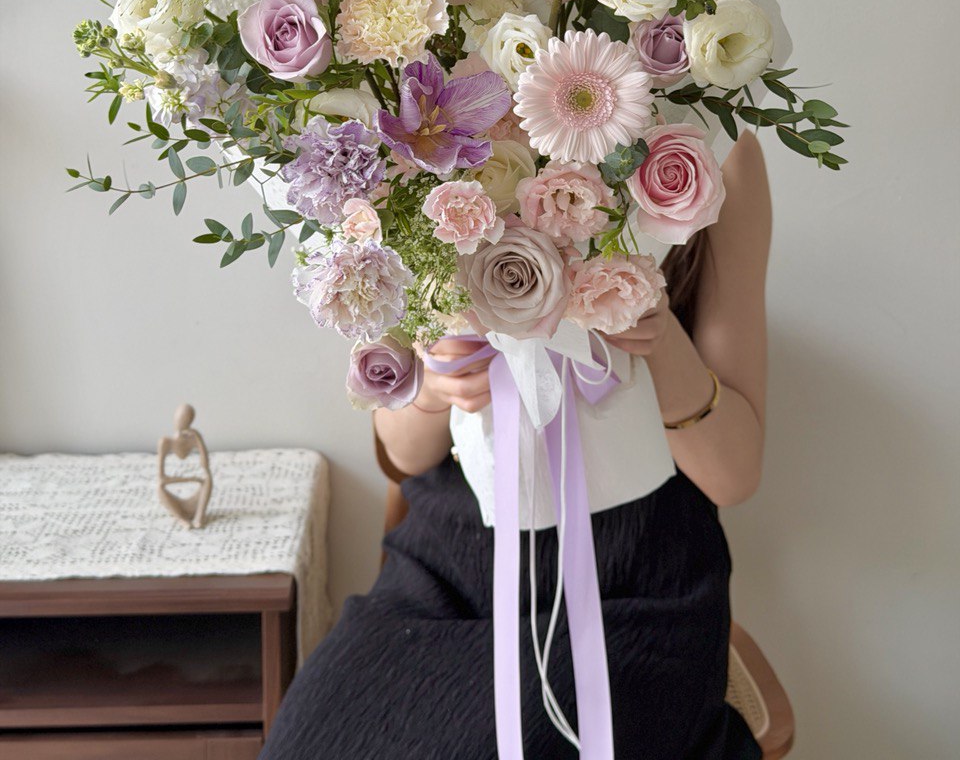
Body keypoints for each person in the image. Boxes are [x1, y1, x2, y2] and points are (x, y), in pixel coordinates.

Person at [260, 130, 770, 759]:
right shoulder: (419, 128)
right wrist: (437, 377)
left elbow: (735, 474)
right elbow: (403, 456)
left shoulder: (717, 154)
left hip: (638, 581)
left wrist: (655, 337)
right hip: (446, 571)